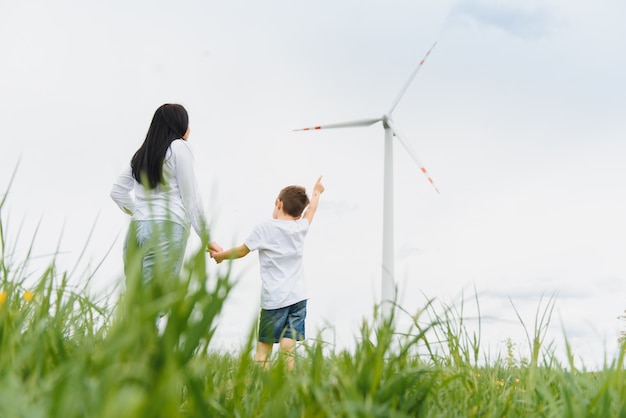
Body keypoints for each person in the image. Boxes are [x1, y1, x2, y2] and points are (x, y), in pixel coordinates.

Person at [210, 176, 325, 370]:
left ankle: (260, 383)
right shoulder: (300, 227)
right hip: (299, 297)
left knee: (264, 347)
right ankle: (288, 380)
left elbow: (241, 251)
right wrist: (317, 192)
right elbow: (311, 210)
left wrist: (221, 256)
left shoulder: (265, 228)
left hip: (275, 299)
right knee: (289, 345)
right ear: (298, 215)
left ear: (279, 203)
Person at [110, 103, 221, 290]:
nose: (190, 129)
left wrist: (141, 213)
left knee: (135, 305)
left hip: (136, 230)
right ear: (179, 125)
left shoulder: (142, 154)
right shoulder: (179, 147)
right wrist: (208, 238)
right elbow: (191, 198)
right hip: (167, 228)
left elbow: (117, 192)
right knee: (154, 303)